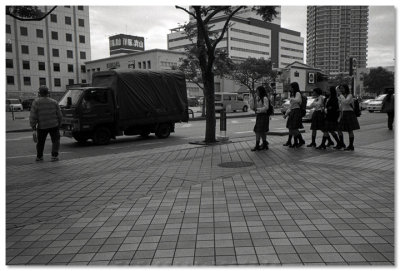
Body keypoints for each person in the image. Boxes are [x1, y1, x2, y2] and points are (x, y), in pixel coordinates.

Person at [29, 85, 63, 161]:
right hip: (54, 125)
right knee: (55, 141)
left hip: (42, 126)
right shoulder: (54, 102)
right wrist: (59, 124)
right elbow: (60, 115)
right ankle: (54, 156)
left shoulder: (36, 102)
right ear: (48, 93)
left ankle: (40, 156)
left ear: (39, 93)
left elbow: (33, 115)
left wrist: (33, 126)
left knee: (40, 142)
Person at [338, 84, 360, 151]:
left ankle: (351, 145)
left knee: (350, 130)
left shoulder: (349, 95)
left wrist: (341, 96)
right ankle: (342, 143)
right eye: (340, 88)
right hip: (344, 113)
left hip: (349, 113)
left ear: (346, 88)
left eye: (342, 88)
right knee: (339, 129)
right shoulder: (341, 97)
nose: (341, 90)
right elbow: (341, 106)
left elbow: (346, 102)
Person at [283, 82, 305, 148]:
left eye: (291, 87)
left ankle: (301, 141)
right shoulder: (293, 94)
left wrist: (291, 99)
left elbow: (298, 100)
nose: (290, 88)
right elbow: (291, 106)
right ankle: (295, 142)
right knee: (291, 127)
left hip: (296, 111)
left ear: (294, 87)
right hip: (293, 111)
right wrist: (286, 114)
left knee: (294, 128)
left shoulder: (298, 93)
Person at [249, 86, 270, 151]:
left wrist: (258, 109)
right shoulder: (257, 98)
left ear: (260, 91)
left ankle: (258, 145)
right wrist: (252, 99)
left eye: (257, 90)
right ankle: (264, 144)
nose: (256, 92)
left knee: (258, 131)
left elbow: (266, 107)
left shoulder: (265, 98)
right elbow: (253, 107)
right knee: (261, 131)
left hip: (264, 116)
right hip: (259, 116)